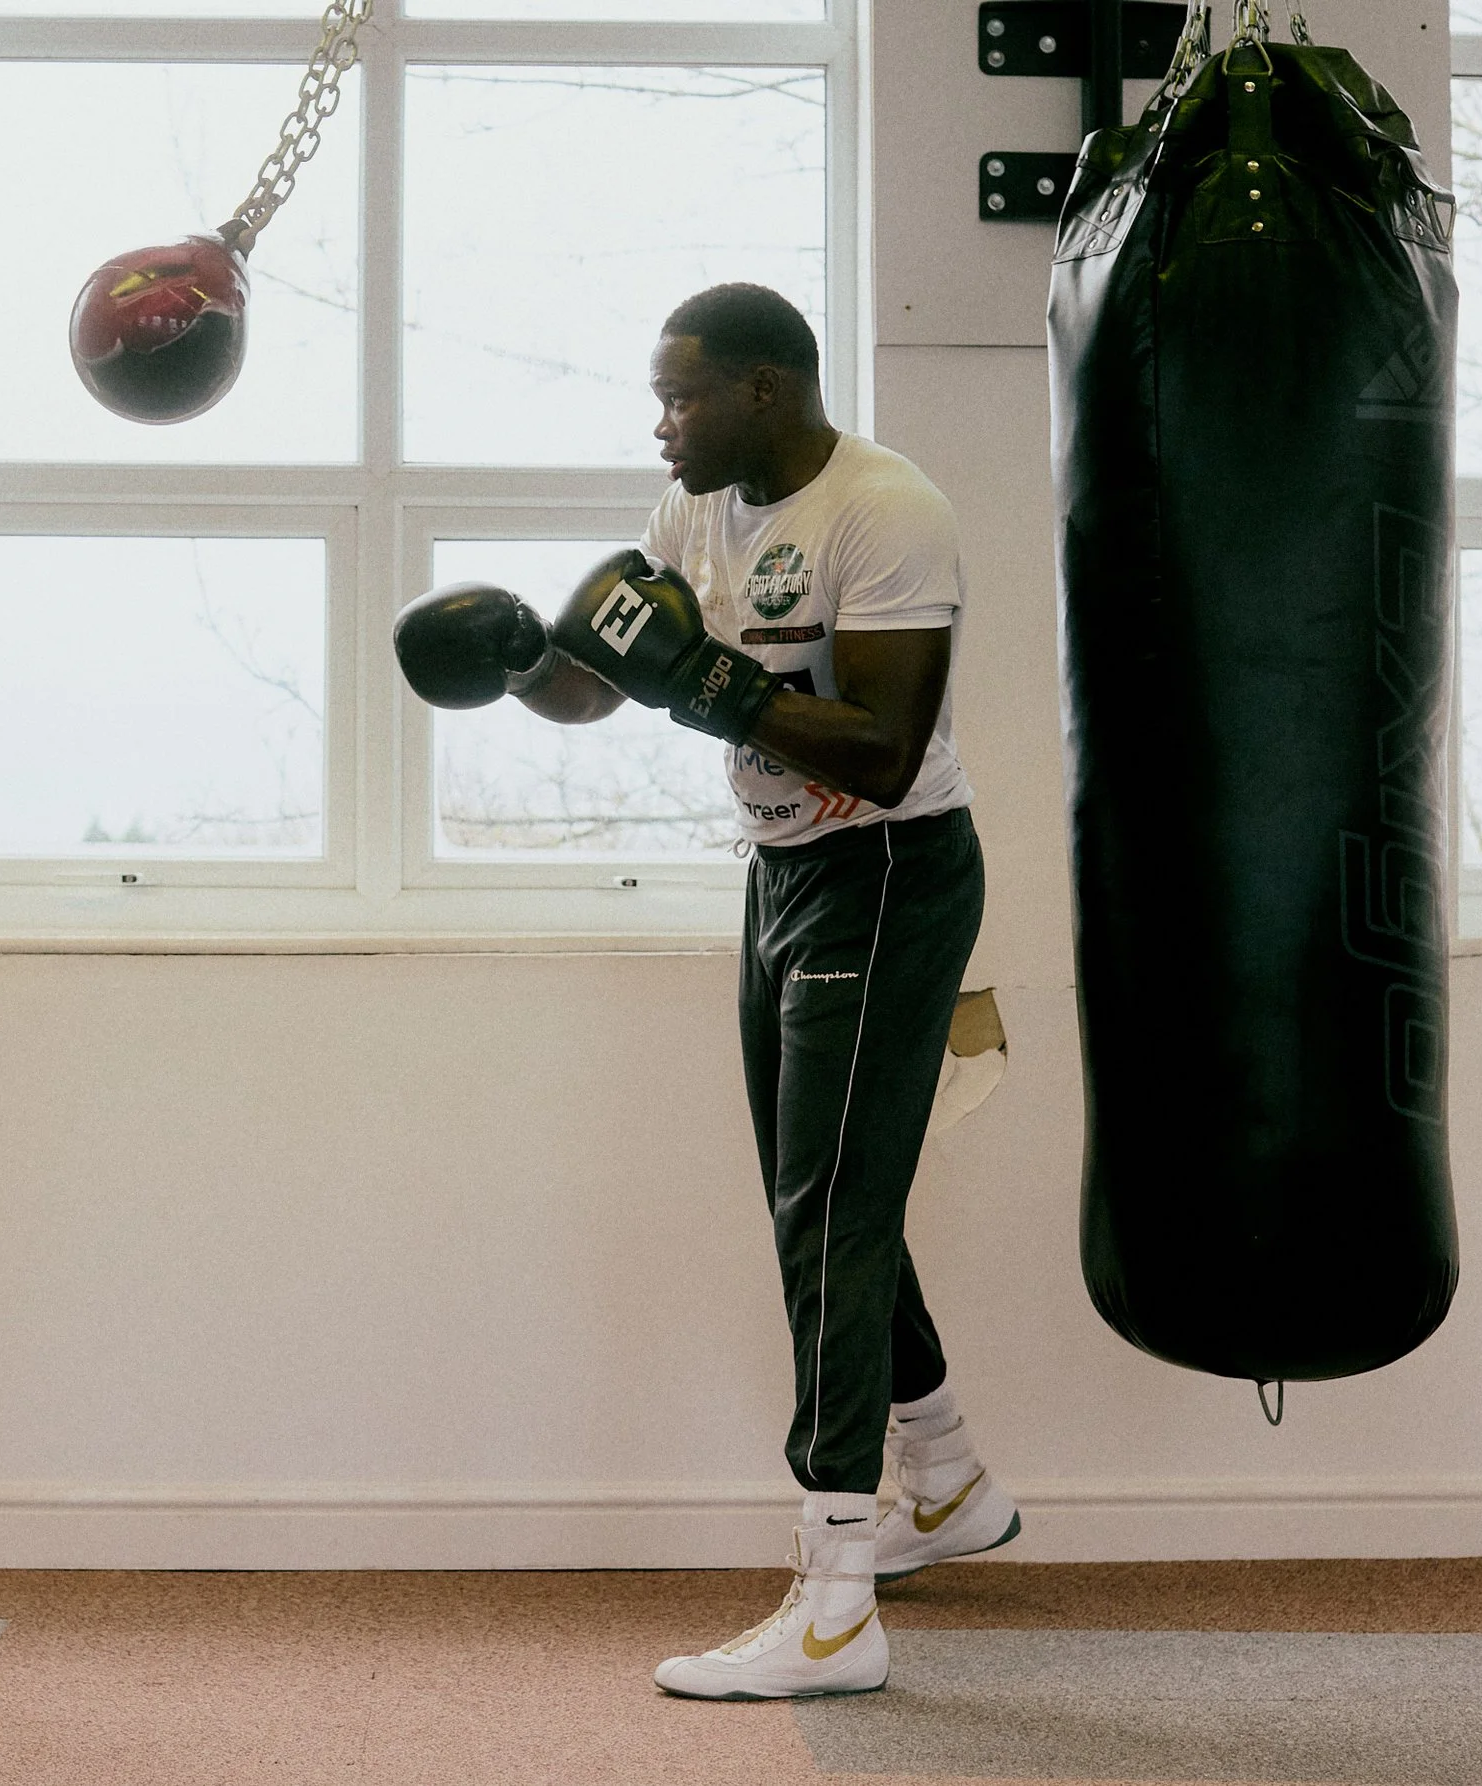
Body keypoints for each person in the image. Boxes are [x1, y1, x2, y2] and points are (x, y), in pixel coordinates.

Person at [393, 284, 1020, 1699]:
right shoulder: (695, 515)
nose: (660, 423)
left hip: (891, 867)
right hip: (783, 875)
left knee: (832, 1212)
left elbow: (883, 744)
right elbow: (600, 686)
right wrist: (518, 662)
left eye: (681, 398)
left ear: (764, 388)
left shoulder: (885, 510)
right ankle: (949, 1476)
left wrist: (709, 682)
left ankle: (837, 1597)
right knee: (823, 1199)